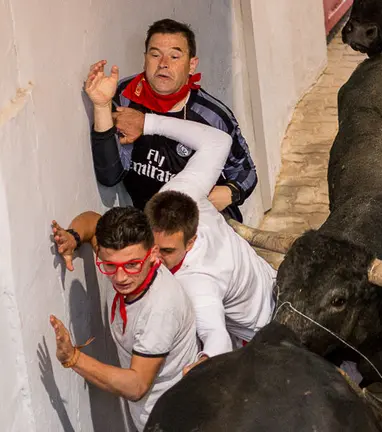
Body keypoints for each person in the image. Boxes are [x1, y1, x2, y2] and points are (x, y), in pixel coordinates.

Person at [54, 112, 276, 371]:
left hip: (267, 331)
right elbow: (218, 141)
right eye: (153, 245)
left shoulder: (198, 281)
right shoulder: (182, 191)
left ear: (191, 243)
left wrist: (205, 363)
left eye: (168, 251)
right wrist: (148, 124)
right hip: (273, 283)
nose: (155, 257)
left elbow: (216, 336)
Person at [85, 18, 257, 222]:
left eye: (175, 56)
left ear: (191, 65)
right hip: (152, 227)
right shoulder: (123, 95)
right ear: (145, 58)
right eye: (155, 54)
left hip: (204, 225)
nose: (163, 64)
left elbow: (246, 171)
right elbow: (110, 175)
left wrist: (230, 192)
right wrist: (102, 106)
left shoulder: (212, 116)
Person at [49, 206, 198, 431]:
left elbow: (136, 385)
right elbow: (92, 221)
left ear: (154, 254)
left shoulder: (160, 309)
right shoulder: (122, 255)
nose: (120, 278)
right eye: (109, 265)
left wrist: (73, 358)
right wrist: (74, 237)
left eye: (131, 265)